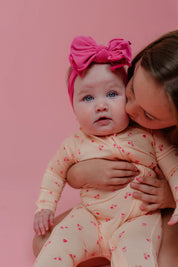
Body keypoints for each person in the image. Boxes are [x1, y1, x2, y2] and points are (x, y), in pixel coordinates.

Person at [33, 36, 178, 267]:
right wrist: (81, 173)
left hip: (147, 213)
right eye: (130, 93)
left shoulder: (152, 139)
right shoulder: (85, 136)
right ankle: (107, 247)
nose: (130, 110)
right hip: (98, 212)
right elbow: (59, 169)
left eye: (148, 115)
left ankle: (117, 250)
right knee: (43, 243)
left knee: (156, 258)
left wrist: (170, 198)